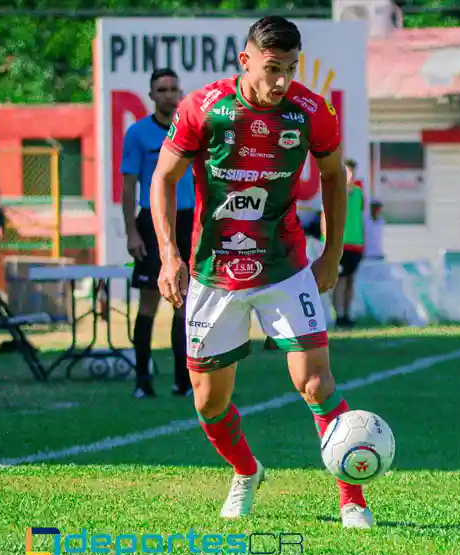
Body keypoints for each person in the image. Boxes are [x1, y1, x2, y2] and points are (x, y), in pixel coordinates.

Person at [150, 16, 374, 528]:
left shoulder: (310, 111)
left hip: (284, 266)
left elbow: (336, 176)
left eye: (290, 69)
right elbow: (164, 177)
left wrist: (332, 254)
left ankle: (352, 499)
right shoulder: (204, 109)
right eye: (272, 68)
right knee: (208, 401)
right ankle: (247, 471)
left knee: (315, 383)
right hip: (214, 270)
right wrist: (170, 255)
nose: (281, 82)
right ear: (244, 60)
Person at [121, 68, 197, 399]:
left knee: (186, 303)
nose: (168, 94)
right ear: (151, 96)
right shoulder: (138, 134)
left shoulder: (193, 131)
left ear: (180, 93)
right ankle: (142, 380)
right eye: (161, 89)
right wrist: (131, 233)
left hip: (188, 221)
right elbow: (127, 186)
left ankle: (183, 380)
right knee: (150, 301)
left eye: (172, 88)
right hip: (151, 223)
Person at [321, 159, 367, 328]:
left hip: (356, 243)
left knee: (351, 280)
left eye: (353, 172)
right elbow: (325, 217)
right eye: (348, 172)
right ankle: (339, 315)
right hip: (339, 243)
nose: (351, 175)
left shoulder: (359, 192)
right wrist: (326, 241)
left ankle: (347, 314)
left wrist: (364, 242)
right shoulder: (334, 191)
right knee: (339, 280)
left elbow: (361, 218)